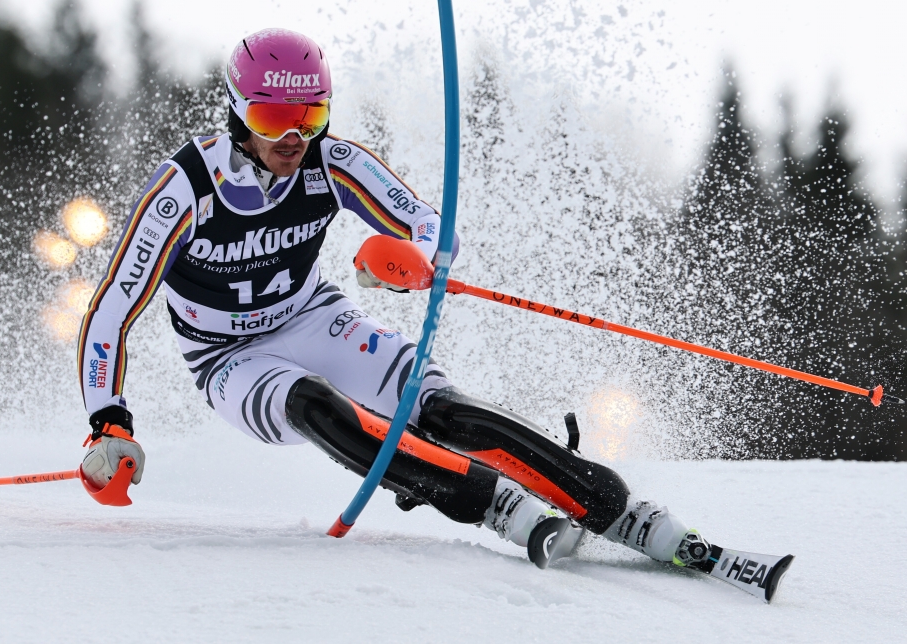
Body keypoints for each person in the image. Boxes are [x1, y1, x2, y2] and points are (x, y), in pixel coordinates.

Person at [76, 28, 714, 571]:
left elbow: (430, 225)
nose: (295, 138)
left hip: (312, 317)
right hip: (229, 357)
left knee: (443, 411)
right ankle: (494, 504)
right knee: (315, 405)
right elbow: (110, 312)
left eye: (312, 117)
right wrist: (108, 422)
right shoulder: (184, 189)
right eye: (273, 120)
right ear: (238, 113)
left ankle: (623, 511)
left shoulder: (331, 163)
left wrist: (414, 261)